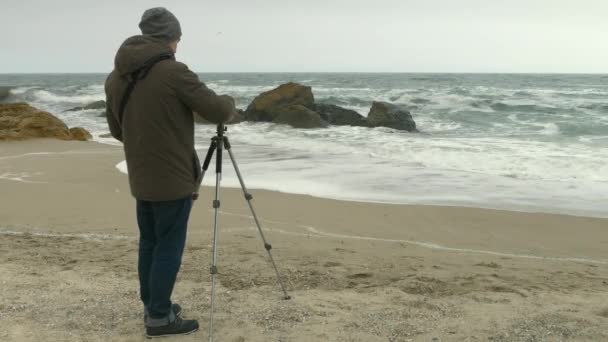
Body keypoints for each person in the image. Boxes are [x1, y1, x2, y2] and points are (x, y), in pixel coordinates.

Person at [104, 7, 236, 338]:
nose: (178, 46)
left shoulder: (116, 76)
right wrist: (230, 101)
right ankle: (160, 317)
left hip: (139, 173)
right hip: (173, 175)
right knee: (168, 245)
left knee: (150, 241)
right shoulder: (173, 72)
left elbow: (117, 130)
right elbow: (218, 109)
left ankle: (154, 304)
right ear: (170, 39)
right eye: (178, 39)